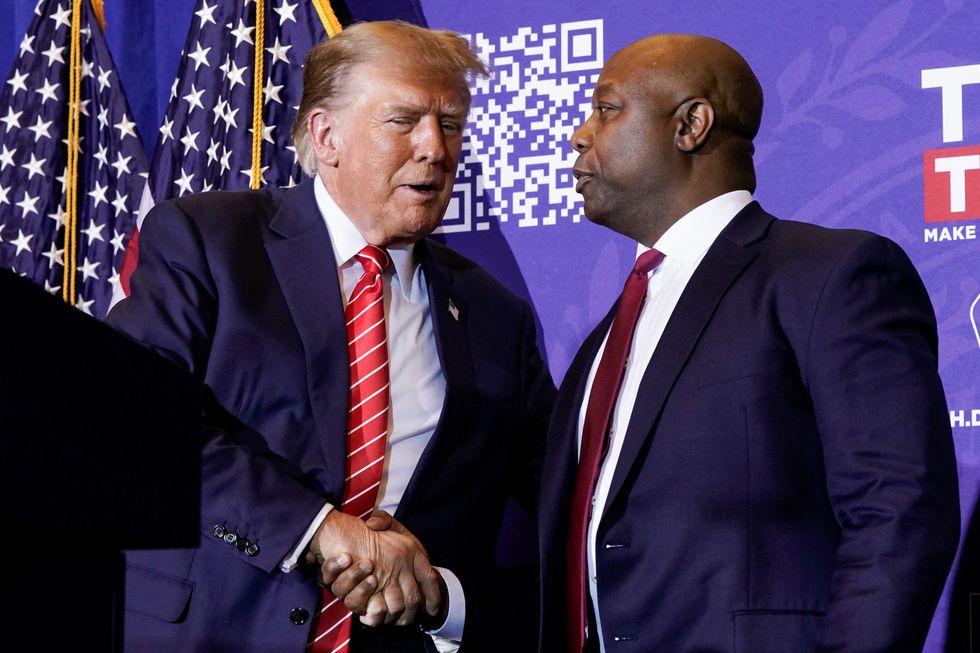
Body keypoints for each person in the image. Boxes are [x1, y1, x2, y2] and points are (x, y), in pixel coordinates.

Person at [108, 21, 554, 653]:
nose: (434, 148)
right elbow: (135, 420)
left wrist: (444, 599)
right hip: (208, 634)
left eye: (450, 124)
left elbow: (568, 498)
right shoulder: (209, 242)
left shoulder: (492, 314)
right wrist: (317, 531)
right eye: (404, 120)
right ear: (326, 135)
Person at [537, 33, 960, 653]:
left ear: (690, 124)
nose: (579, 133)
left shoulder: (827, 275)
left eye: (606, 109)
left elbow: (897, 511)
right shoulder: (603, 341)